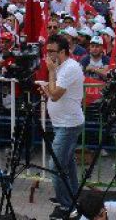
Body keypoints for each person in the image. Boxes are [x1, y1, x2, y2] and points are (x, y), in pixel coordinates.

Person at [41, 34, 85, 219]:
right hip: (61, 123)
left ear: (63, 52)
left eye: (52, 51)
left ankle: (66, 205)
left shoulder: (70, 67)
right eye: (47, 51)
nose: (49, 55)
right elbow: (53, 93)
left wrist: (51, 73)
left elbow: (55, 95)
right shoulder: (62, 67)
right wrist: (47, 89)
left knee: (56, 166)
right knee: (67, 165)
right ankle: (73, 198)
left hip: (68, 124)